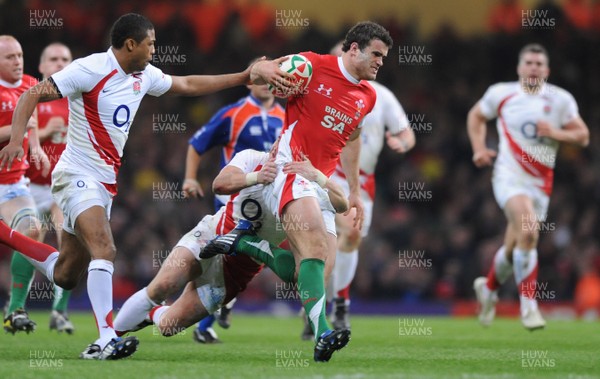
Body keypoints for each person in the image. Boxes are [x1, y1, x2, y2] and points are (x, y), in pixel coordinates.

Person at [0, 13, 292, 360]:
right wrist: (17, 140)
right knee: (105, 250)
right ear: (130, 45)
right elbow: (32, 93)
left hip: (104, 183)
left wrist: (244, 77)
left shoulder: (144, 75)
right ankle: (105, 339)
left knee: (65, 274)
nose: (155, 49)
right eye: (150, 43)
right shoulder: (90, 69)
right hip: (76, 175)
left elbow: (187, 85)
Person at [203, 21, 393, 361]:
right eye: (376, 54)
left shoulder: (368, 96)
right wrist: (263, 68)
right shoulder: (312, 65)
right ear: (354, 49)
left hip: (321, 182)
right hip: (292, 168)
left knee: (310, 269)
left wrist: (352, 190)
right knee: (316, 250)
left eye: (384, 57)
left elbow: (351, 139)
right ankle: (323, 335)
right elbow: (261, 74)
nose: (380, 62)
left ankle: (246, 243)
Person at [113, 148, 348, 358]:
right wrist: (256, 177)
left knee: (167, 327)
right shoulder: (252, 157)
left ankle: (151, 314)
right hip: (210, 236)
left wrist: (318, 176)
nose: (281, 148)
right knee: (162, 286)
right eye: (281, 140)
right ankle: (107, 340)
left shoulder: (304, 190)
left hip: (235, 271)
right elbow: (219, 184)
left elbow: (342, 205)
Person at [468, 43, 589, 330]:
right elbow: (476, 116)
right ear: (519, 68)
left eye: (539, 63)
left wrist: (557, 132)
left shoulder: (560, 100)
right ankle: (529, 307)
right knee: (529, 232)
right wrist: (478, 148)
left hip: (540, 184)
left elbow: (582, 136)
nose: (534, 67)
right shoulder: (502, 93)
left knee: (515, 247)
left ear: (546, 70)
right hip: (508, 177)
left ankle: (488, 288)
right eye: (529, 63)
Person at [183, 76, 285, 343]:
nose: (265, 84)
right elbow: (197, 143)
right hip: (234, 200)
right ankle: (204, 319)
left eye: (271, 80)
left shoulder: (286, 117)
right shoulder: (233, 113)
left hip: (267, 204)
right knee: (223, 264)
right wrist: (190, 177)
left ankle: (219, 307)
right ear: (249, 83)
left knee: (248, 262)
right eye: (260, 79)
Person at [5, 42, 75, 335]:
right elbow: (27, 130)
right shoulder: (36, 95)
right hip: (28, 182)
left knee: (74, 242)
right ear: (43, 67)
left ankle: (57, 312)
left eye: (66, 59)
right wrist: (41, 135)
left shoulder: (79, 100)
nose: (60, 63)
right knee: (28, 238)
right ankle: (17, 305)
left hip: (58, 185)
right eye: (54, 59)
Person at [0, 35, 49, 335]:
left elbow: (33, 127)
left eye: (19, 55)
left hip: (13, 185)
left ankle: (15, 309)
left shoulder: (30, 84)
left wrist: (38, 147)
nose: (18, 61)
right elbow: (25, 125)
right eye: (10, 57)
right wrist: (15, 129)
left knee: (32, 230)